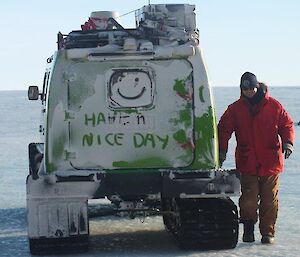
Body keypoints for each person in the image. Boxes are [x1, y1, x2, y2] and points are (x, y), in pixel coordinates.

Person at [218, 72, 294, 244]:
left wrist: (288, 143)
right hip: (247, 162)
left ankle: (268, 233)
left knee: (269, 201)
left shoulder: (274, 106)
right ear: (241, 89)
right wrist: (222, 151)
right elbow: (223, 129)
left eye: (252, 88)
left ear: (257, 87)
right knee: (248, 201)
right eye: (246, 89)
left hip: (271, 162)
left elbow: (286, 124)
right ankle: (248, 229)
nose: (249, 92)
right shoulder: (235, 109)